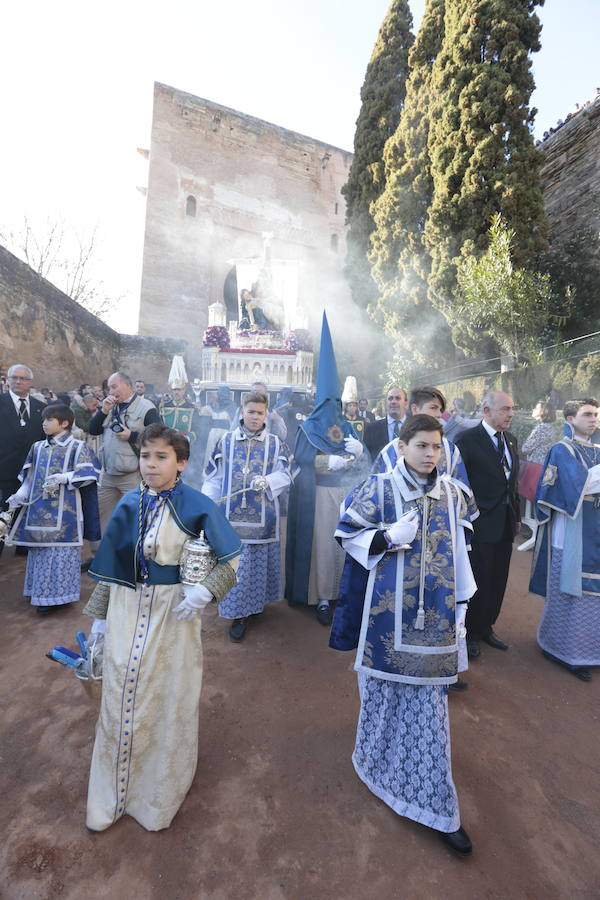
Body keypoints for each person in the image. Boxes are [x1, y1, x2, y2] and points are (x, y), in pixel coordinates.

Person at [84, 424, 242, 831]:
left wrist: (205, 592)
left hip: (175, 613)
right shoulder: (128, 503)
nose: (150, 465)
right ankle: (112, 796)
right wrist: (99, 622)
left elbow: (231, 557)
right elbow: (111, 568)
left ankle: (156, 795)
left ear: (181, 462)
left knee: (167, 696)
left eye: (161, 457)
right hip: (126, 608)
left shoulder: (197, 504)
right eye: (144, 456)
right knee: (120, 692)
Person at [330, 415, 476, 856]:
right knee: (381, 695)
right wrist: (386, 537)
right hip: (383, 621)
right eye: (422, 446)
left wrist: (464, 605)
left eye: (437, 447)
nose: (431, 454)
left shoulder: (453, 494)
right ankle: (373, 761)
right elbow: (347, 535)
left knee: (431, 712)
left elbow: (461, 552)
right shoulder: (377, 488)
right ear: (401, 445)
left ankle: (437, 804)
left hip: (436, 623)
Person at [286, 315, 366, 625]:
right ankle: (321, 597)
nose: (333, 404)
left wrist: (361, 452)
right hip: (318, 494)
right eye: (328, 398)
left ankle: (342, 595)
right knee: (322, 547)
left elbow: (364, 464)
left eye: (337, 399)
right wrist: (323, 462)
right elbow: (300, 460)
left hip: (346, 494)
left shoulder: (348, 425)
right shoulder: (309, 428)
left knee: (344, 545)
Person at [202, 391, 294, 641]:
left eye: (260, 413)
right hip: (229, 517)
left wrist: (269, 480)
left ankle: (251, 608)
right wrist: (208, 505)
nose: (255, 417)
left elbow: (287, 474)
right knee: (233, 564)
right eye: (250, 412)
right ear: (242, 412)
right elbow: (214, 477)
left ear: (266, 414)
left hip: (263, 518)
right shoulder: (226, 440)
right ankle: (237, 612)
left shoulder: (275, 443)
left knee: (253, 567)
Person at [2, 404, 100, 614]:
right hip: (37, 510)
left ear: (64, 423)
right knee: (38, 552)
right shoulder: (36, 447)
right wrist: (20, 494)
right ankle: (39, 592)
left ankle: (56, 598)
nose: (44, 423)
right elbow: (29, 478)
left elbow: (90, 474)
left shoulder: (77, 446)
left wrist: (65, 477)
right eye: (44, 420)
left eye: (49, 419)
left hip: (66, 513)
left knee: (59, 552)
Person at [530, 398, 600, 681]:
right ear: (570, 419)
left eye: (596, 414)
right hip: (571, 531)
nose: (593, 419)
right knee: (571, 590)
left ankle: (591, 650)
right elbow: (576, 485)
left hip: (594, 530)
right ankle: (561, 649)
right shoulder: (562, 449)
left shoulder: (597, 449)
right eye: (587, 414)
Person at [455, 392, 520, 659]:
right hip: (479, 523)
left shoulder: (512, 440)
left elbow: (511, 482)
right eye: (505, 409)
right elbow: (458, 483)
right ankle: (470, 633)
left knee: (498, 577)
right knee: (478, 577)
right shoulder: (467, 440)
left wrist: (515, 516)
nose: (511, 414)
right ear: (486, 410)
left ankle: (487, 627)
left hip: (505, 521)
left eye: (512, 409)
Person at [88, 372, 161, 529]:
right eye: (109, 388)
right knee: (101, 516)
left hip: (132, 475)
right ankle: (102, 552)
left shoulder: (146, 407)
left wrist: (132, 435)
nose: (111, 392)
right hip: (107, 473)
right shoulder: (109, 407)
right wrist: (104, 411)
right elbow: (93, 430)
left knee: (136, 517)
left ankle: (134, 551)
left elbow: (158, 437)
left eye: (114, 387)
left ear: (128, 385)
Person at [0, 365, 46, 555]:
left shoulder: (41, 408)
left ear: (30, 382)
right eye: (14, 378)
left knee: (27, 508)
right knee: (3, 509)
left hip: (32, 469)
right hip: (4, 468)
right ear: (8, 380)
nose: (18, 381)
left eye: (22, 379)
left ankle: (23, 544)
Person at [518, 400, 557, 552]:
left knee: (529, 499)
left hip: (535, 468)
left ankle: (530, 531)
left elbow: (526, 447)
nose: (533, 409)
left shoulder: (541, 428)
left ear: (543, 411)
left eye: (536, 407)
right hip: (542, 468)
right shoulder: (550, 427)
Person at [364, 386, 407, 460]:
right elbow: (366, 458)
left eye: (398, 398)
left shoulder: (416, 427)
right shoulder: (371, 429)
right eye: (390, 398)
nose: (393, 402)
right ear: (385, 403)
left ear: (406, 403)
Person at [342, 377, 366, 444]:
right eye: (350, 405)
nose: (352, 407)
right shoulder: (340, 420)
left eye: (354, 405)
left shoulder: (362, 420)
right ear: (346, 407)